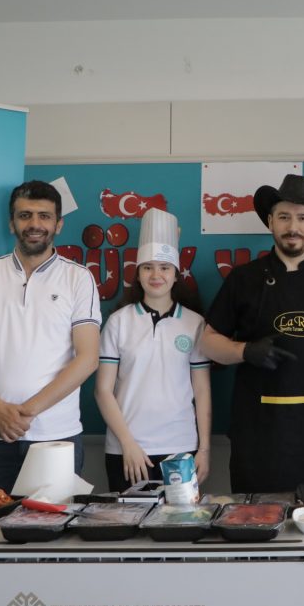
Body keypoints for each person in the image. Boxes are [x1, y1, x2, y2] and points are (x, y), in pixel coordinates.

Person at [200, 174, 304, 606]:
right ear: (270, 221)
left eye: (303, 218)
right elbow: (207, 342)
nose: (293, 226)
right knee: (256, 530)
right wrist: (245, 351)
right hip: (259, 432)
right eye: (284, 216)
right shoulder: (243, 279)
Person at [0, 180, 101, 492]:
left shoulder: (78, 278)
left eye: (44, 216)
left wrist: (25, 412)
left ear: (58, 224)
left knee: (54, 523)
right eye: (25, 215)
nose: (35, 224)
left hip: (55, 437)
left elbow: (87, 358)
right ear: (12, 223)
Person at [94, 208, 212, 493]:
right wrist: (128, 443)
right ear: (138, 274)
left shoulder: (194, 323)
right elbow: (102, 390)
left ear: (176, 274)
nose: (156, 275)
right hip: (127, 451)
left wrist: (204, 449)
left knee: (181, 519)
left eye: (164, 268)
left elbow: (202, 390)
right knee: (128, 520)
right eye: (148, 267)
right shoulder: (118, 321)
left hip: (181, 448)